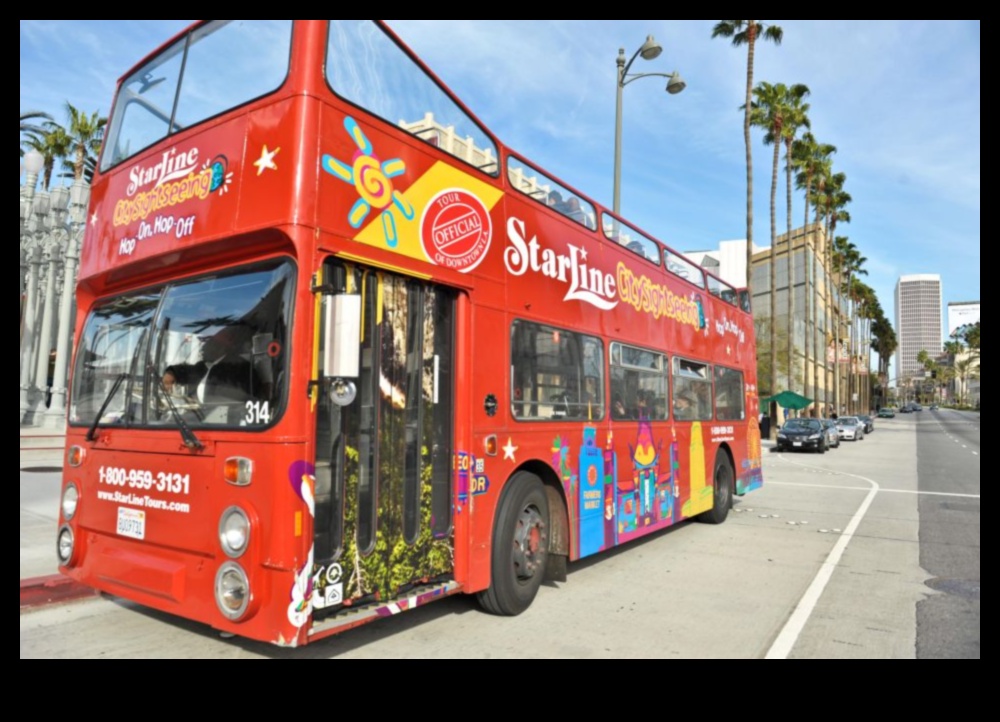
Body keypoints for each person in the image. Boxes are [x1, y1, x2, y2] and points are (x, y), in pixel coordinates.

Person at [162, 327, 262, 422]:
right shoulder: (209, 365)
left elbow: (230, 400)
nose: (203, 348)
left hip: (229, 422)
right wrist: (172, 373)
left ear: (221, 347)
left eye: (209, 343)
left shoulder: (240, 368)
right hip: (208, 416)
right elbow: (190, 372)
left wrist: (194, 405)